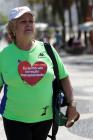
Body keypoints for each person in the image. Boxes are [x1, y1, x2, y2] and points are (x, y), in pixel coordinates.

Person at [0, 6, 79, 140]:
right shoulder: (4, 56)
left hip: (45, 118)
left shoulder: (48, 50)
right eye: (23, 22)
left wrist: (72, 105)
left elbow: (64, 77)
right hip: (14, 119)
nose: (28, 24)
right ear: (13, 27)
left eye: (31, 21)